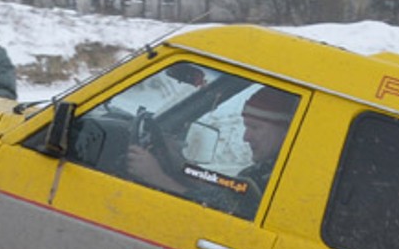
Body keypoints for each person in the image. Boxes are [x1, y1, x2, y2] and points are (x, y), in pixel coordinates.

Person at [125, 84, 297, 217]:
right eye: (246, 126)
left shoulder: (282, 180)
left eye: (255, 127)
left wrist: (158, 178)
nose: (246, 137)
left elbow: (223, 212)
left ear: (286, 132)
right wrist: (182, 166)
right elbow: (223, 192)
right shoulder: (262, 171)